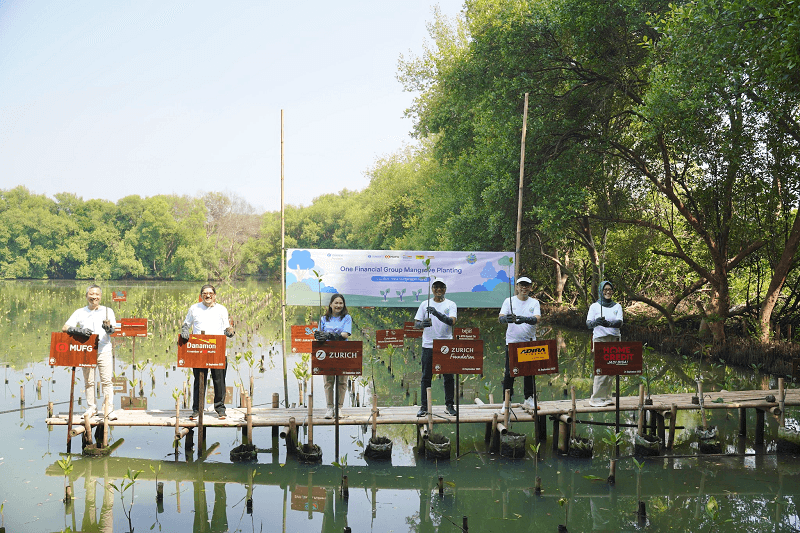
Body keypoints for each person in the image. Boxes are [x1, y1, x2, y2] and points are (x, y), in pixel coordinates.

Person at [181, 284, 234, 419]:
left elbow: (227, 328)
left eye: (210, 293)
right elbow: (186, 323)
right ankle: (197, 409)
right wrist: (185, 330)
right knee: (199, 380)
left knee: (219, 380)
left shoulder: (222, 309)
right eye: (205, 293)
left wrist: (230, 331)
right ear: (201, 295)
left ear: (215, 295)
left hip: (218, 350)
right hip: (199, 351)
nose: (208, 295)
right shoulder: (194, 308)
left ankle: (220, 408)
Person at [62, 284, 115, 419]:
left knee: (107, 381)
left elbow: (113, 330)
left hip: (104, 349)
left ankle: (108, 409)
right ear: (86, 296)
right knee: (89, 381)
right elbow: (65, 327)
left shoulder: (108, 311)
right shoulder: (80, 312)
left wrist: (108, 329)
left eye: (97, 295)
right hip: (87, 351)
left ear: (101, 296)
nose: (94, 297)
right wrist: (79, 330)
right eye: (91, 294)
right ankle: (92, 408)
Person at [414, 278, 458, 417]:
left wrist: (436, 313)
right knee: (426, 376)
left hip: (446, 344)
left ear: (445, 289)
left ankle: (449, 405)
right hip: (428, 344)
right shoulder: (424, 304)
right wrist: (422, 324)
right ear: (432, 289)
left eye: (441, 287)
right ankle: (424, 406)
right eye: (436, 287)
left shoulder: (451, 304)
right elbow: (416, 323)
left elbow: (452, 321)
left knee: (448, 377)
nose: (438, 290)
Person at [498, 276, 541, 411]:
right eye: (521, 285)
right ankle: (507, 401)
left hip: (528, 342)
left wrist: (524, 319)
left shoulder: (534, 303)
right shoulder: (508, 301)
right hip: (512, 342)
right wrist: (505, 319)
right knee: (509, 373)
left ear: (530, 288)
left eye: (527, 285)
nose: (524, 288)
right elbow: (500, 317)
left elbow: (537, 318)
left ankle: (529, 399)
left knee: (529, 373)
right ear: (516, 287)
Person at [314, 293, 351, 419]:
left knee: (342, 381)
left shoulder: (347, 318)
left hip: (343, 352)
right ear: (330, 304)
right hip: (327, 353)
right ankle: (329, 408)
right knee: (328, 382)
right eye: (336, 303)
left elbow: (345, 334)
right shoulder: (324, 319)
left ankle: (339, 408)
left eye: (341, 303)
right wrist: (319, 335)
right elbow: (319, 334)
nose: (338, 305)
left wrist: (330, 335)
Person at [587, 280, 623, 407]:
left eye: (610, 289)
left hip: (614, 339)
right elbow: (588, 324)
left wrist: (609, 324)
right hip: (600, 339)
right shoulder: (594, 306)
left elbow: (619, 322)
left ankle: (607, 397)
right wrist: (597, 322)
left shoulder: (617, 306)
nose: (608, 292)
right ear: (601, 291)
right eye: (605, 290)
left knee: (612, 369)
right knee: (601, 370)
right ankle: (596, 398)